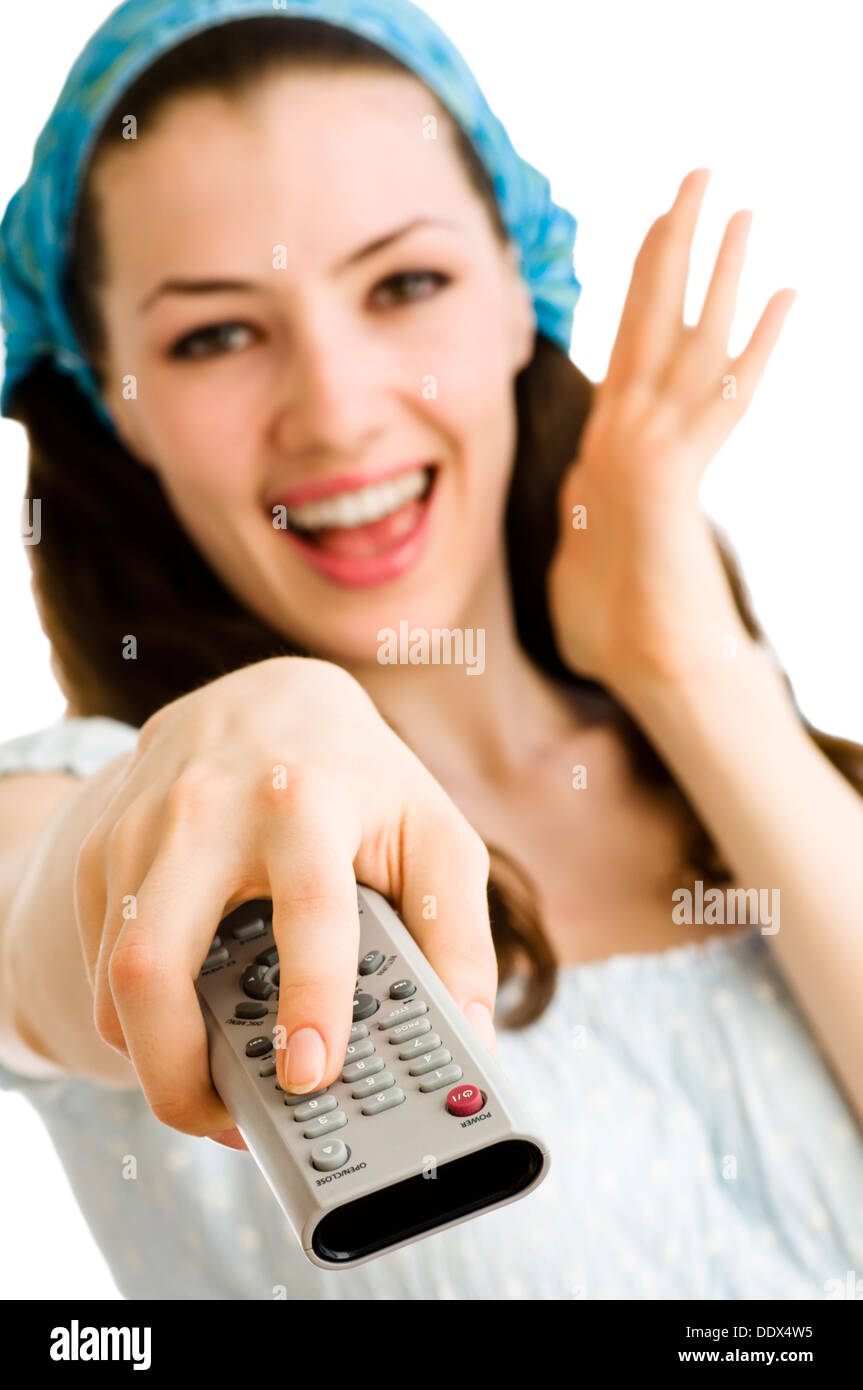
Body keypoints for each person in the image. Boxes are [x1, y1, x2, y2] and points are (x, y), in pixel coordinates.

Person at [0, 0, 861, 1302]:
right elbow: (38, 934)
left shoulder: (773, 780)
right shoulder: (102, 803)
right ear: (116, 405)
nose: (337, 409)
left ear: (523, 291)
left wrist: (689, 668)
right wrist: (255, 730)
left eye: (405, 284)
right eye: (215, 334)